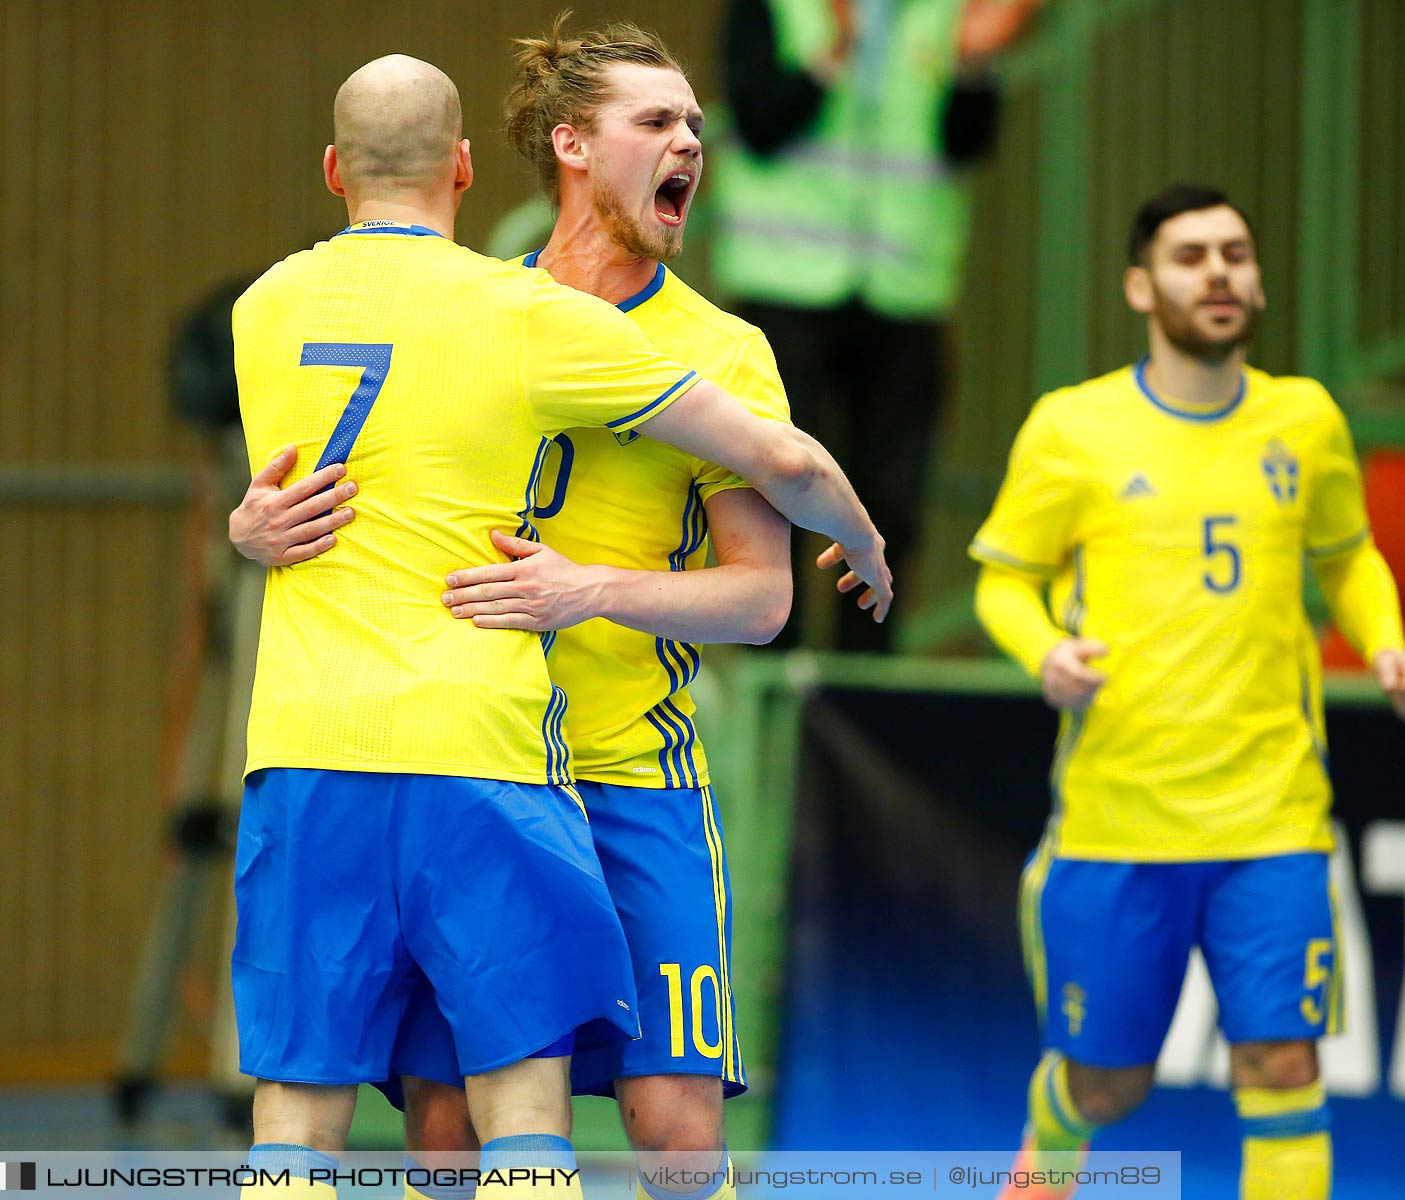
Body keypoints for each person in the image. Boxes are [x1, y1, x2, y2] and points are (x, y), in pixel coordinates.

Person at [231, 54, 889, 1199]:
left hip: (626, 775)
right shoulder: (479, 303)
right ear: (570, 147)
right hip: (477, 768)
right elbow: (339, 471)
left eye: (696, 120)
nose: (692, 141)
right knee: (449, 1129)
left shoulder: (722, 349)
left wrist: (590, 589)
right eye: (658, 120)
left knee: (676, 1129)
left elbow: (765, 599)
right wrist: (254, 524)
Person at [965, 184, 1405, 1200]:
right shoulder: (1071, 427)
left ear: (1258, 280)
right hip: (1118, 824)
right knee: (1107, 1089)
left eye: (1235, 253)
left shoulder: (1306, 419)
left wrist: (1386, 643)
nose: (1219, 272)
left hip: (1273, 819)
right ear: (1142, 286)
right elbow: (1004, 578)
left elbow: (1349, 558)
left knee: (1283, 1065)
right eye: (1190, 256)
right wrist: (1044, 650)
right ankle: (1038, 1170)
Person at [714, 0, 1044, 648]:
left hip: (905, 294)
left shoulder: (942, 14)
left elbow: (966, 142)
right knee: (777, 499)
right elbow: (758, 122)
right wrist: (833, 49)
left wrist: (975, 62)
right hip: (785, 286)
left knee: (888, 506)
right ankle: (774, 697)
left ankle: (857, 704)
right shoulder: (777, 8)